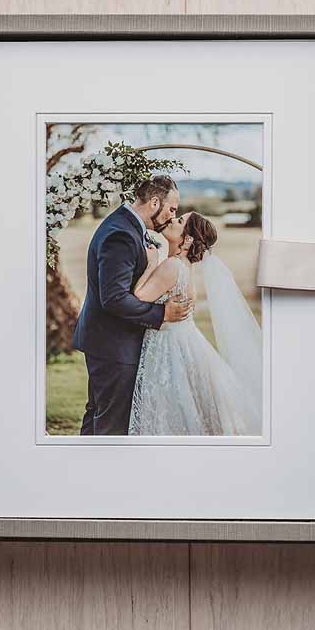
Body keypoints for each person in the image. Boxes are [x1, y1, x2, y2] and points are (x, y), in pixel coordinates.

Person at [72, 175, 194, 435]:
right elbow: (114, 298)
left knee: (98, 415)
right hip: (114, 346)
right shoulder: (121, 235)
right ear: (153, 203)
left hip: (107, 342)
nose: (172, 216)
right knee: (111, 427)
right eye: (171, 209)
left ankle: (80, 471)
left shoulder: (126, 226)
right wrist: (162, 313)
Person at [128, 211, 262, 436]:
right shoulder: (184, 267)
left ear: (188, 239)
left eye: (180, 221)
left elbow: (140, 296)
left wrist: (151, 264)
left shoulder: (172, 266)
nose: (172, 219)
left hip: (169, 345)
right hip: (186, 342)